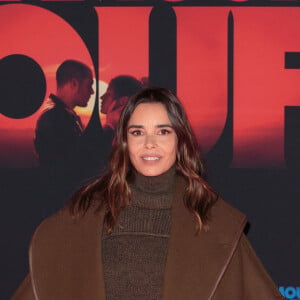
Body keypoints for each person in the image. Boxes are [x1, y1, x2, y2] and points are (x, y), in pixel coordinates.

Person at [12, 88, 284, 299]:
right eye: (138, 132)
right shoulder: (80, 218)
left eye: (163, 131)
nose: (150, 144)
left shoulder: (216, 224)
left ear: (180, 141)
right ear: (125, 141)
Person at [34, 59, 94, 166]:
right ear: (74, 83)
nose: (92, 92)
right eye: (89, 85)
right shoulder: (55, 118)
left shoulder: (63, 115)